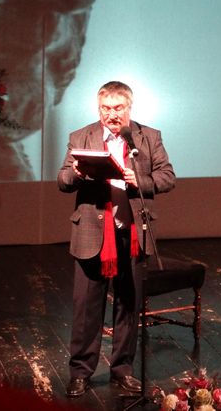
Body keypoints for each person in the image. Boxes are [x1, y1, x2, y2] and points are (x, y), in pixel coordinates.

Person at [57, 81, 175, 397]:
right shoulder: (81, 137)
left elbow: (167, 176)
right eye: (106, 108)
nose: (111, 114)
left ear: (129, 108)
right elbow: (63, 180)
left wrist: (141, 180)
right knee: (86, 309)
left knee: (128, 305)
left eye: (118, 108)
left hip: (131, 233)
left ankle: (122, 370)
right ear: (99, 109)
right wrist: (77, 173)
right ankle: (80, 372)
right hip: (92, 233)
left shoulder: (148, 137)